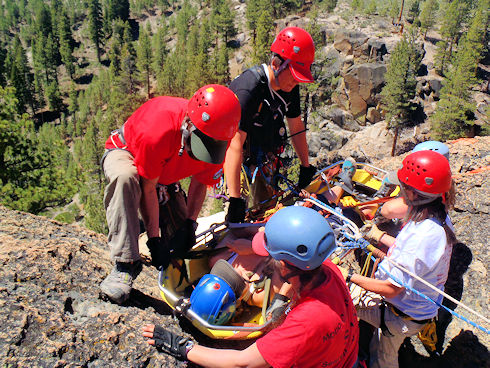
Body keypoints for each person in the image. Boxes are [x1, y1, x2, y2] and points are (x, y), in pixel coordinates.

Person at [142, 206, 359, 368]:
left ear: (283, 265)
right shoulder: (328, 270)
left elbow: (242, 362)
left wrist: (182, 347)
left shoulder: (306, 321)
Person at [99, 84, 241, 304]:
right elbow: (147, 188)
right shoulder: (158, 129)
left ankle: (149, 232)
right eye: (198, 144)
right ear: (189, 126)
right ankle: (125, 265)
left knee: (177, 248)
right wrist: (154, 239)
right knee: (126, 178)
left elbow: (199, 185)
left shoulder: (217, 137)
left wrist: (189, 225)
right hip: (129, 152)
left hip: (163, 174)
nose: (201, 154)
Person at [344, 150, 455, 368]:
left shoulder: (422, 234)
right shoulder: (437, 218)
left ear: (414, 194)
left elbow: (391, 288)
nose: (401, 190)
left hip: (401, 314)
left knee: (383, 356)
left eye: (404, 186)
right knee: (382, 345)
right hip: (414, 309)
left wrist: (349, 277)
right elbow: (415, 257)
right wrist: (379, 236)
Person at [224, 26, 317, 223]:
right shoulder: (249, 89)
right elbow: (234, 145)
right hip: (238, 156)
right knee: (240, 217)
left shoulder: (288, 86)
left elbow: (296, 126)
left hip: (265, 155)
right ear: (276, 64)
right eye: (293, 75)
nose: (295, 83)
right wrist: (234, 199)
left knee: (266, 211)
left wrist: (305, 166)